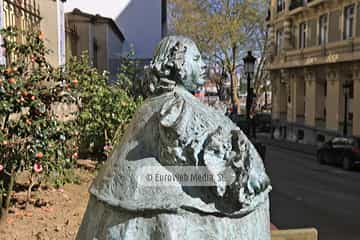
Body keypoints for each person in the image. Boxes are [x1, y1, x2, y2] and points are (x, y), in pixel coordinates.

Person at [76, 36, 271, 240]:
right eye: (196, 59)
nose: (203, 64)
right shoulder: (177, 108)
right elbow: (232, 173)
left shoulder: (149, 106)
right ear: (178, 64)